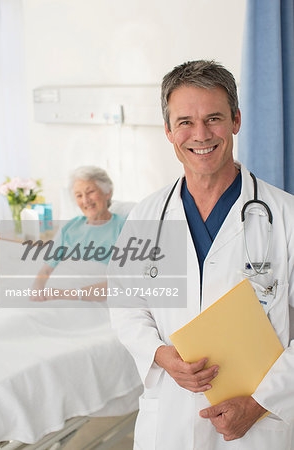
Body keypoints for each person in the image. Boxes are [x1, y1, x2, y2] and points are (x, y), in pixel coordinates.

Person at [108, 61, 294, 449]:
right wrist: (160, 354)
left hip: (260, 427)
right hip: (169, 423)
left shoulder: (286, 215)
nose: (201, 135)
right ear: (168, 130)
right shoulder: (145, 216)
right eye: (185, 122)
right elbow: (126, 305)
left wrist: (260, 402)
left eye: (214, 118)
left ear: (236, 121)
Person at [31, 166, 126, 301]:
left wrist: (65, 294)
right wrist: (37, 289)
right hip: (53, 294)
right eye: (79, 195)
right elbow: (46, 269)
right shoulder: (70, 227)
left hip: (87, 300)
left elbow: (121, 284)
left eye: (90, 192)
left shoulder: (123, 228)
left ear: (107, 192)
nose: (85, 200)